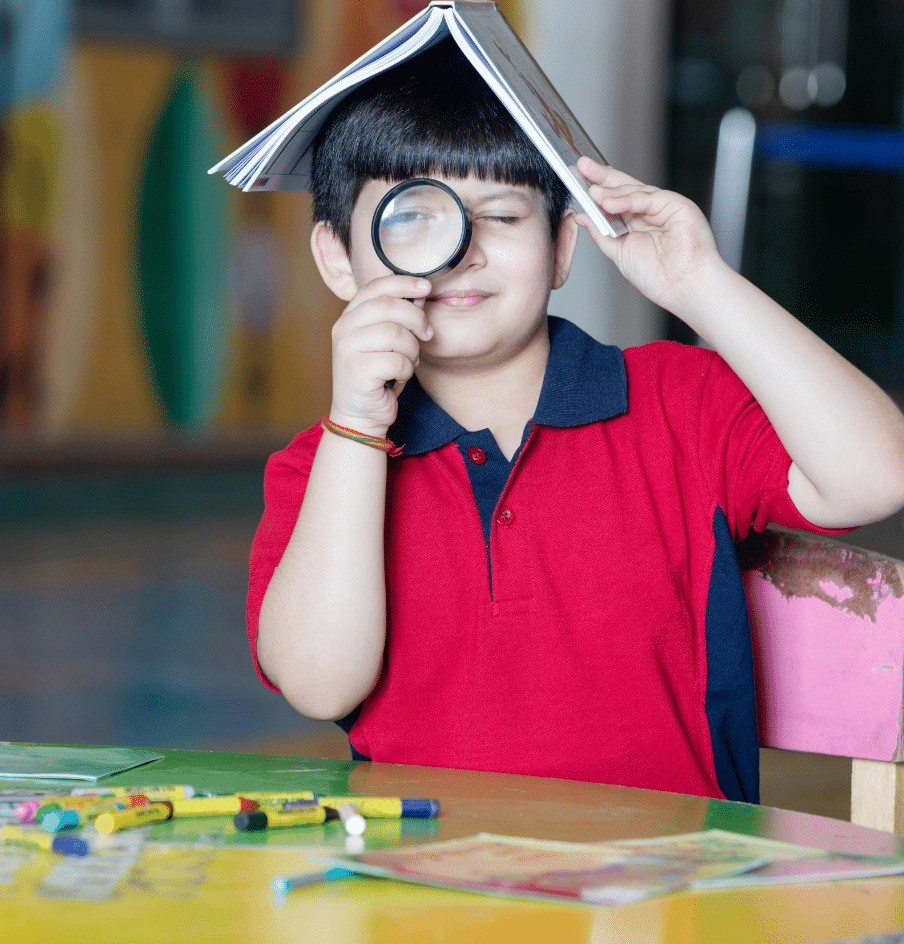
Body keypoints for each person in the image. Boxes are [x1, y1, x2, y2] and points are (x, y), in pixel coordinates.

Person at [246, 40, 904, 802]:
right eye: (416, 218)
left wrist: (701, 284)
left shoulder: (678, 405)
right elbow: (319, 684)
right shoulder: (324, 467)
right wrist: (357, 425)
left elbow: (878, 474)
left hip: (668, 896)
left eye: (501, 216)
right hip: (423, 893)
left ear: (562, 247)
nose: (461, 255)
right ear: (338, 259)